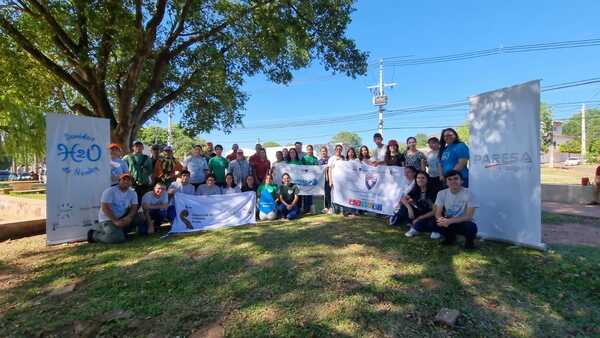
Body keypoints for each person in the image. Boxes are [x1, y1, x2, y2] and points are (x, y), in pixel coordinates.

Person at [411, 170, 478, 249]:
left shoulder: (469, 194)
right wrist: (441, 220)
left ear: (462, 181)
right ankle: (450, 238)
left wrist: (450, 221)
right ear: (446, 182)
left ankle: (469, 243)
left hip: (462, 222)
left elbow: (468, 216)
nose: (453, 181)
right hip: (447, 220)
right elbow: (437, 212)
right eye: (449, 179)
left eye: (456, 178)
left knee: (471, 226)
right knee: (430, 223)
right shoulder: (442, 193)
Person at [87, 173, 145, 244]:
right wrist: (115, 221)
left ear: (131, 183)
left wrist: (129, 217)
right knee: (117, 238)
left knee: (141, 217)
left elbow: (134, 207)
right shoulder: (110, 191)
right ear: (119, 181)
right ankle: (94, 235)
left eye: (129, 180)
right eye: (124, 179)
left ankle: (120, 231)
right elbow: (105, 208)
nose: (126, 181)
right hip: (108, 219)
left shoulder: (133, 193)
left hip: (122, 217)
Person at [402, 171, 441, 239]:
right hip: (421, 212)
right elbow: (403, 198)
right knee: (404, 208)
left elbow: (435, 211)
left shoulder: (434, 191)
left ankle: (433, 230)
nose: (420, 180)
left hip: (433, 214)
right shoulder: (415, 190)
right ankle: (415, 227)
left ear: (427, 180)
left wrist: (419, 218)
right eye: (418, 178)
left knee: (431, 222)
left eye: (423, 178)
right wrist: (409, 208)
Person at [123, 140, 154, 204]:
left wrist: (146, 171)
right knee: (132, 203)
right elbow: (122, 169)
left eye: (140, 146)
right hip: (132, 184)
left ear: (143, 148)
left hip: (145, 184)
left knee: (145, 202)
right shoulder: (127, 157)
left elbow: (150, 171)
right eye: (136, 146)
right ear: (133, 147)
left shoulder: (147, 158)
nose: (138, 147)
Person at [300, 145, 319, 214]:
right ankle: (305, 209)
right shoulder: (304, 158)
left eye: (310, 149)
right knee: (305, 194)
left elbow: (317, 168)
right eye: (308, 149)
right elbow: (302, 168)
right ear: (306, 150)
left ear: (312, 150)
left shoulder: (315, 158)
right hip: (305, 179)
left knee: (311, 194)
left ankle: (311, 209)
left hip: (312, 179)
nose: (309, 150)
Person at [327, 144, 345, 214]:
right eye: (337, 149)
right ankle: (334, 209)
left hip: (341, 181)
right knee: (333, 195)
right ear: (335, 150)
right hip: (334, 180)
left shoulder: (343, 159)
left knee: (341, 195)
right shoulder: (331, 158)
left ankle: (341, 210)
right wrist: (330, 181)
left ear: (341, 150)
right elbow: (329, 170)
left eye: (340, 149)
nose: (338, 150)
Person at [319, 146, 332, 214]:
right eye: (322, 151)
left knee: (329, 193)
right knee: (325, 193)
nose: (323, 152)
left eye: (324, 151)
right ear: (320, 152)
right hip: (322, 180)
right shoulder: (319, 161)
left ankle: (330, 207)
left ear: (327, 152)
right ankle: (326, 207)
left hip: (329, 178)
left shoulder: (330, 159)